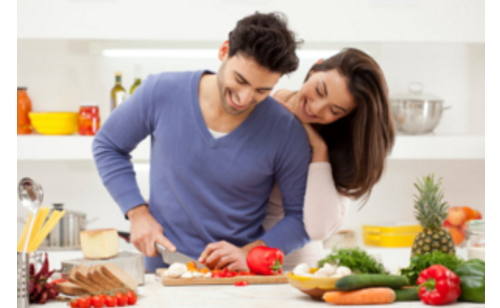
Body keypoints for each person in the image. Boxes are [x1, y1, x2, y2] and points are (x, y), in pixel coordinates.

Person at [92, 12, 313, 273]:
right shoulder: (161, 91)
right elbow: (108, 146)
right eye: (240, 80)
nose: (243, 98)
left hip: (236, 279)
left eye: (261, 90)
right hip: (162, 272)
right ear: (224, 50)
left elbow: (301, 219)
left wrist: (250, 252)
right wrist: (137, 213)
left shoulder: (285, 131)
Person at [262, 48, 396, 269]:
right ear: (315, 67)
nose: (315, 108)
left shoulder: (337, 145)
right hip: (233, 258)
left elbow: (318, 228)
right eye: (320, 90)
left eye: (335, 110)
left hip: (295, 267)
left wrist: (319, 148)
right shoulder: (260, 101)